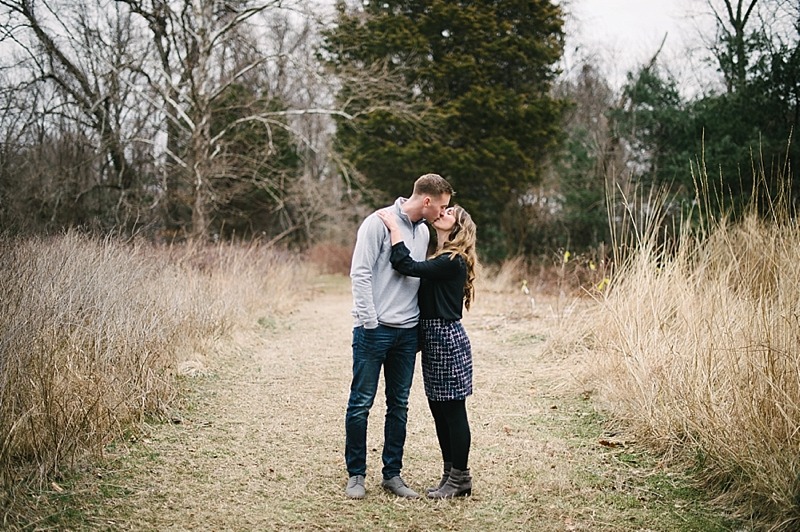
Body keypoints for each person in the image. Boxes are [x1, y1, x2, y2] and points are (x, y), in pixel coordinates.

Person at [345, 173, 454, 500]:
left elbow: (422, 275)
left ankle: (392, 474)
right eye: (443, 206)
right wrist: (370, 322)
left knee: (399, 405)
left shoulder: (422, 232)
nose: (444, 212)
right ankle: (356, 474)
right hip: (373, 330)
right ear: (427, 201)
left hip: (407, 334)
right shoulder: (377, 223)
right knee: (361, 403)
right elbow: (360, 273)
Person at [376, 203, 478, 499]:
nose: (442, 214)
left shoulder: (452, 259)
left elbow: (407, 266)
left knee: (453, 411)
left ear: (457, 228)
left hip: (446, 338)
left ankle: (461, 477)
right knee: (439, 410)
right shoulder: (442, 256)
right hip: (434, 338)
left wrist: (395, 230)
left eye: (450, 214)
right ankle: (450, 475)